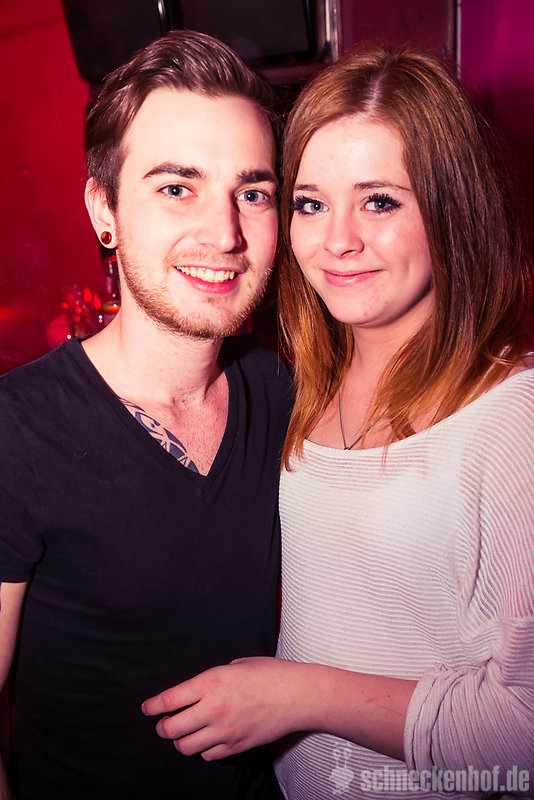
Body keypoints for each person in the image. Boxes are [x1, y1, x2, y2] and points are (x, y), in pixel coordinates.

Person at [142, 44, 534, 799]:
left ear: (453, 210)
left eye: (380, 201)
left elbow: (525, 726)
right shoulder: (298, 387)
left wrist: (297, 696)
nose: (337, 241)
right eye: (310, 203)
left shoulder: (511, 418)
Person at [0, 30, 292, 800]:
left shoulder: (283, 389)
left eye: (252, 193)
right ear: (104, 210)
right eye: (176, 188)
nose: (225, 234)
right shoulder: (16, 433)